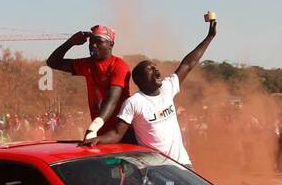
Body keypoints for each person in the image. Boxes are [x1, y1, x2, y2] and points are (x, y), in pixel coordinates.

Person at [91, 20, 217, 167]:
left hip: (182, 165)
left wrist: (209, 37)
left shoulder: (167, 88)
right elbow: (116, 134)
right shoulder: (134, 103)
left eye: (155, 68)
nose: (157, 71)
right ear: (140, 80)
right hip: (157, 170)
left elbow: (188, 64)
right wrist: (96, 139)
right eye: (151, 69)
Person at [47, 24, 133, 144]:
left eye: (98, 42)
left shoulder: (119, 66)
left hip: (122, 132)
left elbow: (112, 100)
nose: (93, 45)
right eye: (91, 42)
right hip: (100, 133)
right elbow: (53, 62)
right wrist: (70, 42)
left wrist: (94, 126)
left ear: (111, 44)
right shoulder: (86, 64)